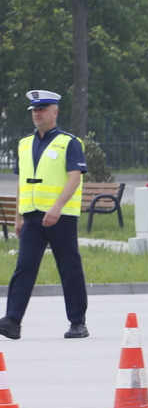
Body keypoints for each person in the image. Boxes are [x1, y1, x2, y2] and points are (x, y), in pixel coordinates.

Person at [0, 90, 89, 340]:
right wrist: (18, 216)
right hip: (32, 218)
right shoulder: (24, 143)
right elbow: (22, 183)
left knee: (69, 268)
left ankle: (77, 323)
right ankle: (12, 321)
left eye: (42, 109)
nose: (37, 114)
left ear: (55, 112)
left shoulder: (69, 142)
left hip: (60, 217)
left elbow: (74, 178)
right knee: (23, 269)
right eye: (34, 110)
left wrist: (57, 207)